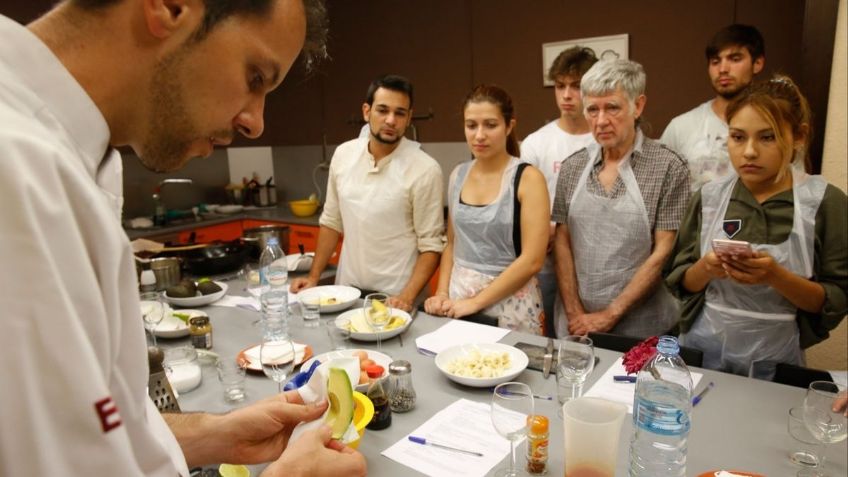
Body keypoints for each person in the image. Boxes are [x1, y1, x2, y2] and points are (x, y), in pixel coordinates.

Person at [0, 1, 366, 476]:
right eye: (255, 77)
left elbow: (89, 430)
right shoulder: (18, 171)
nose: (255, 122)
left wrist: (215, 435)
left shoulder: (70, 156)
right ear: (170, 8)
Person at [664, 76, 847, 380]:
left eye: (767, 137)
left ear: (798, 136)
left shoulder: (824, 202)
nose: (749, 152)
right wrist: (708, 267)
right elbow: (681, 282)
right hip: (700, 349)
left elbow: (833, 300)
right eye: (737, 137)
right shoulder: (709, 198)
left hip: (777, 358)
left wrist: (775, 276)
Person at [551, 59, 690, 339]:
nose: (601, 121)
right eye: (592, 109)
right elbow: (562, 242)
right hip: (577, 324)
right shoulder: (572, 167)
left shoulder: (669, 167)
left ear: (637, 106)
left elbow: (664, 251)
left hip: (643, 327)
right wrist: (575, 311)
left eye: (612, 107)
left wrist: (611, 314)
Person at [290, 75, 444, 312]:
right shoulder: (343, 155)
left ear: (409, 118)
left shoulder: (425, 169)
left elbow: (431, 246)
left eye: (400, 113)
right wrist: (314, 277)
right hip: (347, 293)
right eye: (382, 110)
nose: (391, 120)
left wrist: (406, 297)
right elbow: (331, 222)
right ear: (366, 111)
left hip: (396, 299)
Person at [424, 85, 549, 335]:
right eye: (471, 125)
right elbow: (452, 242)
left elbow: (532, 260)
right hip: (459, 300)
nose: (479, 135)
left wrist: (475, 303)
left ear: (509, 126)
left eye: (490, 125)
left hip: (512, 303)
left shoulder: (528, 178)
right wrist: (442, 292)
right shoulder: (458, 174)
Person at [521, 46, 598, 335]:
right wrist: (545, 230)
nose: (566, 95)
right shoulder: (536, 143)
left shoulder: (604, 137)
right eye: (560, 86)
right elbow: (521, 205)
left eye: (576, 86)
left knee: (595, 339)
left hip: (594, 260)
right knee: (549, 336)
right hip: (547, 260)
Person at [661, 24, 766, 192]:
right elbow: (660, 190)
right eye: (715, 62)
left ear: (757, 63)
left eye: (735, 59)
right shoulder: (681, 127)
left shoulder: (774, 126)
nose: (723, 69)